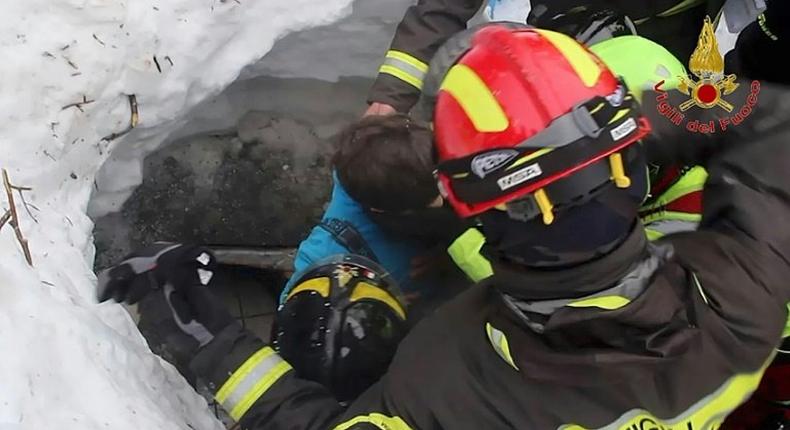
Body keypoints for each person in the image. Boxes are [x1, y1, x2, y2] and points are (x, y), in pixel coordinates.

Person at [99, 26, 790, 429]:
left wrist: (200, 336)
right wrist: (603, 131)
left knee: (338, 339)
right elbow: (771, 122)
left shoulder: (455, 381)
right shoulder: (746, 293)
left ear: (462, 205)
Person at [284, 114, 464, 309]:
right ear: (381, 210)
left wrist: (449, 255)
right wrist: (373, 301)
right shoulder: (328, 253)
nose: (446, 199)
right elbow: (293, 308)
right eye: (429, 205)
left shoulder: (375, 164)